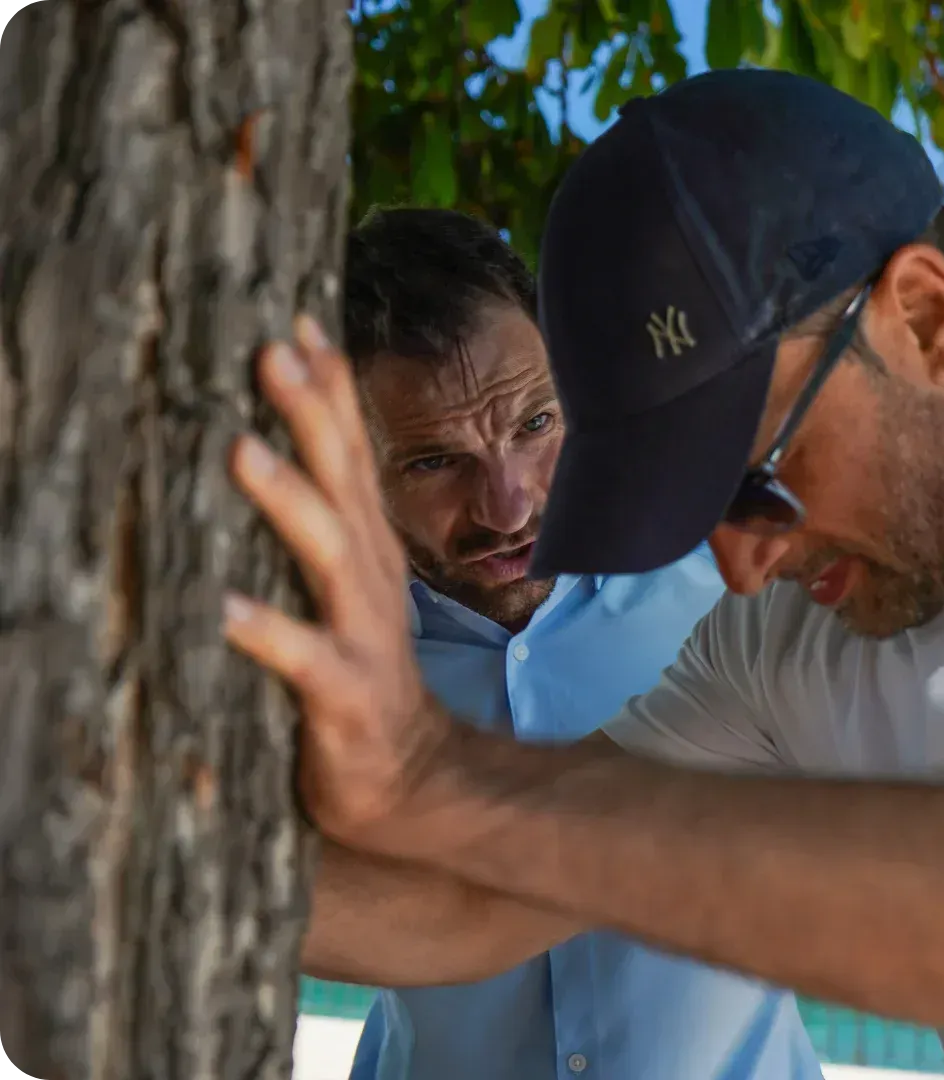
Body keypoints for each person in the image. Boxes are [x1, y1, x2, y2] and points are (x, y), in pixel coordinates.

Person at [222, 70, 944, 1075]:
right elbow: (491, 897)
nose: (745, 570)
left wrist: (432, 777)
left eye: (756, 474)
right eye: (696, 507)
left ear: (927, 319)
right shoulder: (780, 650)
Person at [301, 207, 824, 1080]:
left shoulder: (734, 585)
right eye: (435, 461)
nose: (508, 506)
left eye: (535, 426)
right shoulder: (315, 669)